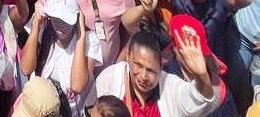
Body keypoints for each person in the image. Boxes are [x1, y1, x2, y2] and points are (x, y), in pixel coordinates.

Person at [92, 21, 223, 117]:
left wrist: (202, 75)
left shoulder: (171, 86)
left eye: (150, 71)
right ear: (128, 56)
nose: (143, 76)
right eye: (138, 65)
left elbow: (199, 98)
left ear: (161, 67)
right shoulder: (110, 79)